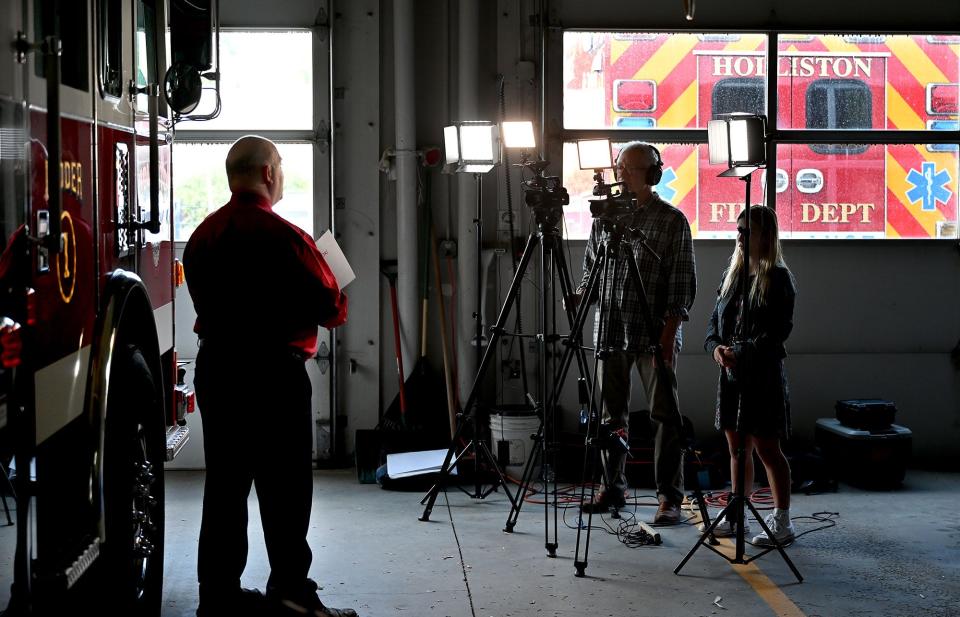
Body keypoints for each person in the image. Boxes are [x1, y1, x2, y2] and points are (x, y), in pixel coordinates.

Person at [184, 136, 355, 617]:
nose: (281, 174)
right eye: (280, 165)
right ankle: (291, 593)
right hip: (275, 376)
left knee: (225, 485)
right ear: (267, 173)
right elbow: (330, 308)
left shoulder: (203, 236)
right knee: (285, 487)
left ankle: (217, 596)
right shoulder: (288, 238)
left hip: (218, 369)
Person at [574, 142, 697, 525]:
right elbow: (590, 273)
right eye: (618, 167)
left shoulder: (671, 221)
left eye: (628, 168)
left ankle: (669, 497)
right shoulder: (605, 220)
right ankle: (612, 486)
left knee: (665, 417)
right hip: (610, 329)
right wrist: (577, 298)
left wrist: (669, 335)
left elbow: (681, 286)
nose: (620, 174)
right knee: (611, 417)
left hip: (654, 334)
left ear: (652, 174)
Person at [703, 205, 797, 546]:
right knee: (736, 448)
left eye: (747, 231)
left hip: (762, 376)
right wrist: (716, 349)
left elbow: (776, 333)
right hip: (731, 375)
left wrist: (738, 353)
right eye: (738, 230)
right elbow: (714, 323)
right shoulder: (733, 274)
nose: (740, 237)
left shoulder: (779, 279)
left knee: (767, 448)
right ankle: (736, 511)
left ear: (765, 236)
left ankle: (783, 521)